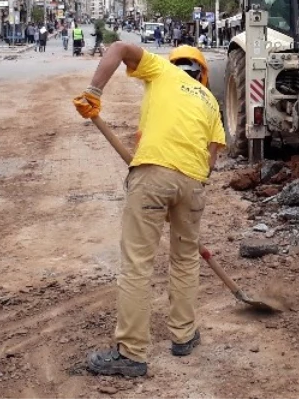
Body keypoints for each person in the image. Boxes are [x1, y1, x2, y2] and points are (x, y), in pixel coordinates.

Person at [73, 43, 225, 378]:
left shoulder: (162, 71)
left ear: (173, 64)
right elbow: (211, 161)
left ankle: (131, 353)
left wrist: (93, 91)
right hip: (194, 182)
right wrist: (182, 190)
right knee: (184, 260)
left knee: (137, 265)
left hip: (152, 174)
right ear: (203, 74)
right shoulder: (210, 101)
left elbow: (118, 48)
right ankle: (184, 336)